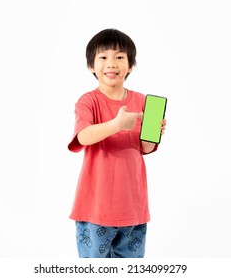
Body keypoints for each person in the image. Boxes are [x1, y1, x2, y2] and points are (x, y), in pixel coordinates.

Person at [68, 28, 166, 258]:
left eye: (120, 57)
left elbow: (146, 148)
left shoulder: (142, 101)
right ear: (91, 66)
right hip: (96, 208)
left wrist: (152, 134)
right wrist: (117, 124)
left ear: (130, 65)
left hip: (133, 207)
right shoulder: (88, 101)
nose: (111, 63)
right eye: (103, 57)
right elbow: (83, 137)